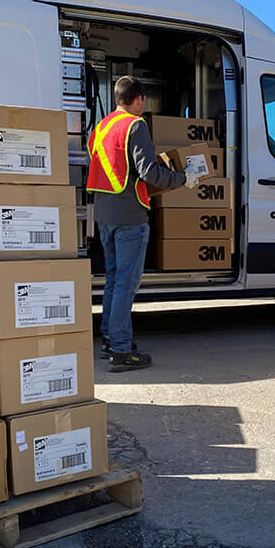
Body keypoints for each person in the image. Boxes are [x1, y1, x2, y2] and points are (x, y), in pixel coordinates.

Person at [87, 76, 201, 372]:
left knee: (113, 279)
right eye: (143, 100)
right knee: (126, 283)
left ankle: (110, 340)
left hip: (104, 214)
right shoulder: (135, 126)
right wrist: (182, 179)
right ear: (138, 99)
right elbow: (149, 172)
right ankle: (122, 350)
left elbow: (115, 167)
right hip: (129, 217)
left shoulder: (100, 128)